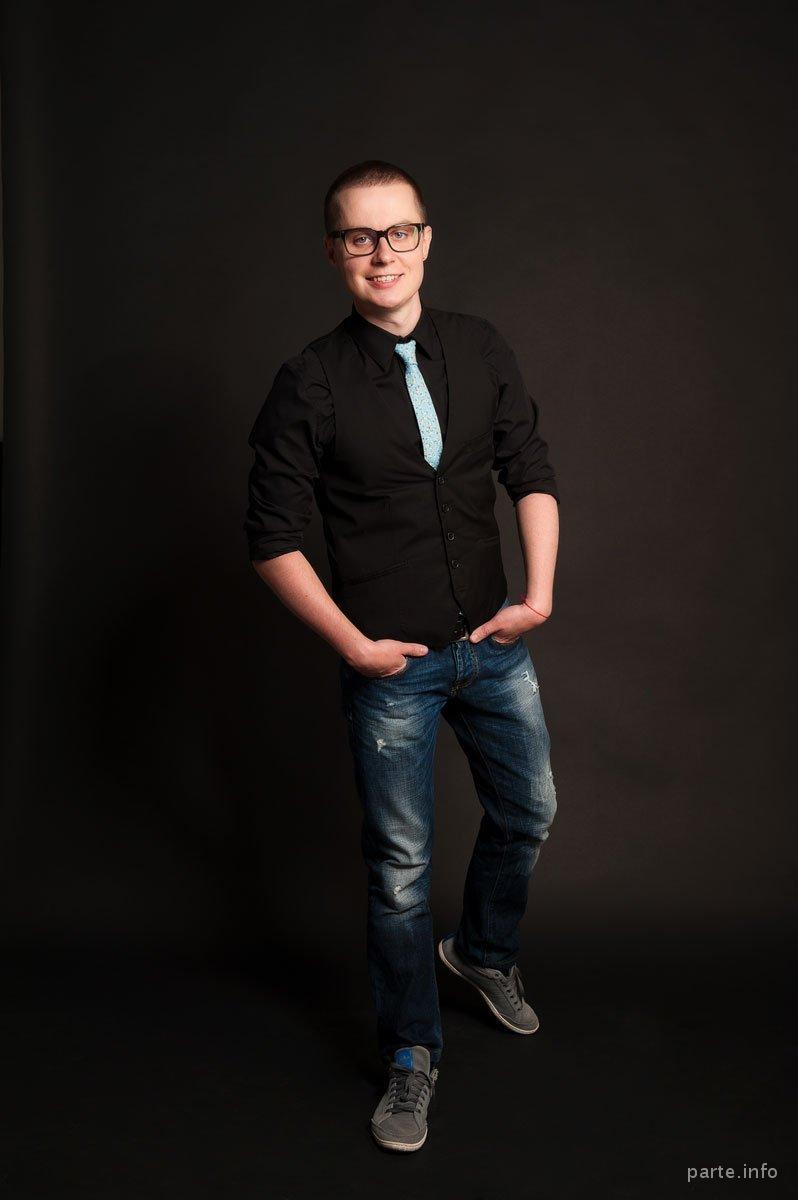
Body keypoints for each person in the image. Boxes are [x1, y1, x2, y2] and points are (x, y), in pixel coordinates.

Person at [244, 160, 560, 1153]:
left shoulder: (480, 345)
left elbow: (529, 469)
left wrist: (538, 595)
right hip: (392, 669)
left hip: (492, 644)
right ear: (334, 251)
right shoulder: (310, 381)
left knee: (531, 812)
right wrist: (354, 647)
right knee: (400, 874)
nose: (382, 253)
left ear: (426, 238)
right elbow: (272, 537)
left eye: (399, 232)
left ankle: (484, 953)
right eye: (359, 236)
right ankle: (411, 1054)